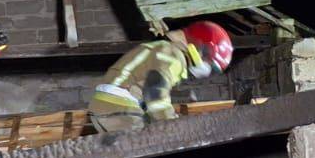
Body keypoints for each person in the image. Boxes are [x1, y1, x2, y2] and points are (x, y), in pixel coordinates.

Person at [87, 21, 234, 135]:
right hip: (120, 105)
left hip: (108, 104)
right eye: (209, 62)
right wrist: (173, 125)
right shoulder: (173, 56)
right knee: (146, 146)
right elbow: (155, 95)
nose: (206, 69)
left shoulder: (166, 49)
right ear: (200, 46)